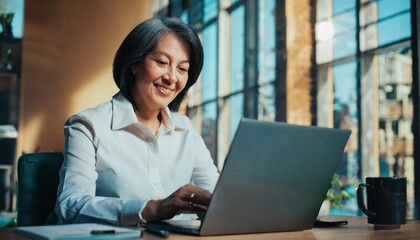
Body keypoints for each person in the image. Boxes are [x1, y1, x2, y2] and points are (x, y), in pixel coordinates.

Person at [55, 17, 219, 226]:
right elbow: (70, 205)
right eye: (162, 62)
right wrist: (153, 208)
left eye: (182, 69)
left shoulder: (185, 128)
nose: (171, 77)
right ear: (134, 63)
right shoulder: (88, 125)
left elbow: (217, 198)